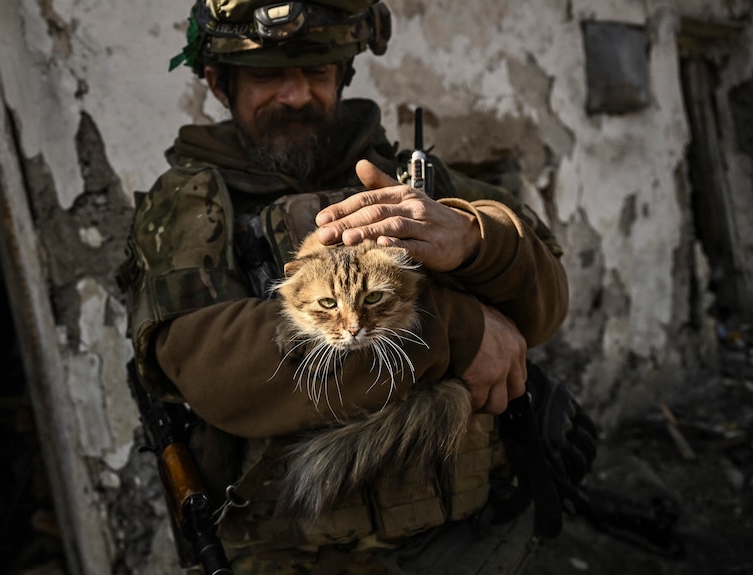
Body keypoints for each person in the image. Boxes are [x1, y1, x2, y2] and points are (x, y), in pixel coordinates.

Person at [120, 1, 580, 573]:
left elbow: (548, 302)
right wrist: (455, 330)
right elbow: (215, 368)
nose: (295, 96)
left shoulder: (411, 177)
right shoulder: (189, 205)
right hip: (294, 554)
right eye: (268, 76)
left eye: (317, 73)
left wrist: (475, 238)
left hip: (469, 538)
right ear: (219, 83)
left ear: (343, 76)